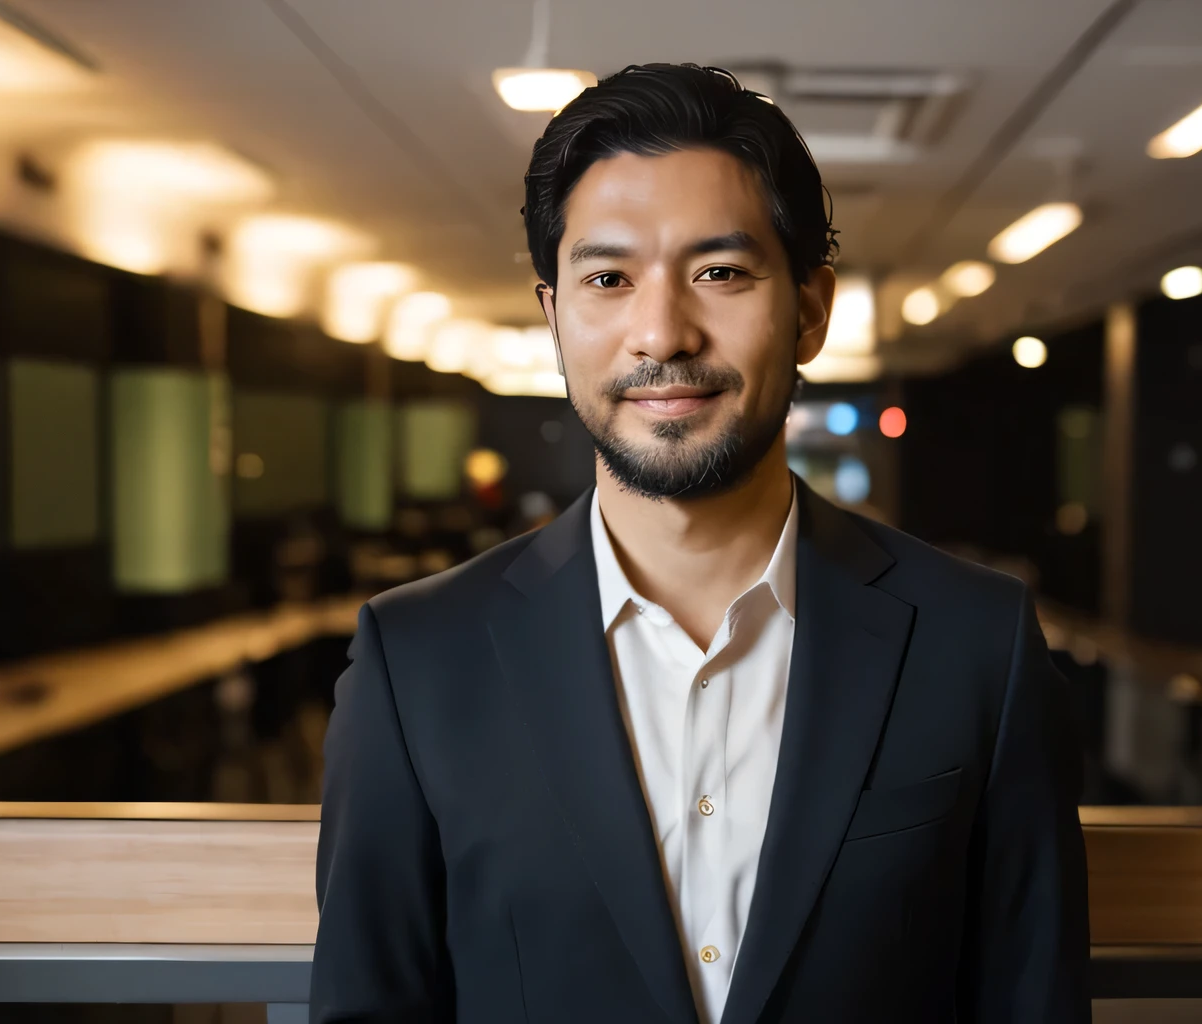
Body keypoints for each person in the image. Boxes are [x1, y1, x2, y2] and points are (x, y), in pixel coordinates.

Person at [311, 63, 1089, 1024]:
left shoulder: (979, 643)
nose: (661, 333)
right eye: (607, 279)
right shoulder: (417, 660)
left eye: (719, 272)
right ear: (555, 316)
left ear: (810, 311)